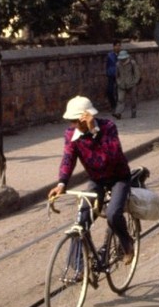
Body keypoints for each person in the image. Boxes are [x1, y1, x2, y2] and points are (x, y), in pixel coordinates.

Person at [48, 96, 135, 263]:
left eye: (76, 121)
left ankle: (127, 243)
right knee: (82, 219)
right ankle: (79, 267)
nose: (73, 125)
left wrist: (95, 132)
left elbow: (113, 156)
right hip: (97, 179)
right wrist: (62, 183)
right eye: (71, 121)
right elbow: (68, 159)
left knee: (113, 214)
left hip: (119, 178)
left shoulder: (108, 127)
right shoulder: (71, 134)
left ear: (86, 117)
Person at [114, 48, 142, 118]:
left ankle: (133, 112)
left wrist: (135, 81)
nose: (122, 60)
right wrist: (118, 82)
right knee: (120, 99)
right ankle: (118, 113)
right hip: (121, 85)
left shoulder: (132, 63)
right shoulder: (118, 64)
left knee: (133, 99)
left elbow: (137, 73)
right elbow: (117, 75)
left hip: (131, 84)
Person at [105, 40, 121, 113]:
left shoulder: (122, 55)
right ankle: (113, 105)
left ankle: (118, 106)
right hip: (111, 74)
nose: (118, 47)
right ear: (114, 46)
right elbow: (107, 65)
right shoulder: (110, 55)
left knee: (119, 91)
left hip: (119, 75)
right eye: (116, 46)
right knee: (110, 91)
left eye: (119, 46)